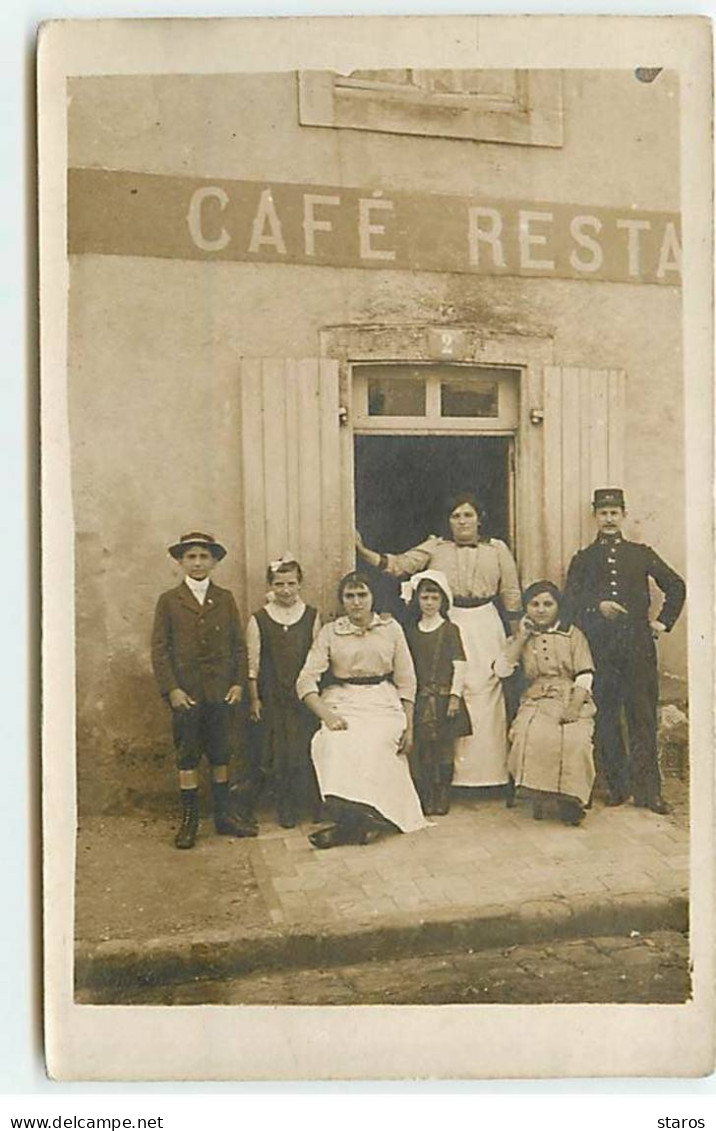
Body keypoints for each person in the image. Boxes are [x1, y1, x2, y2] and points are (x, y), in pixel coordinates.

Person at [356, 492, 522, 789]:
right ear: (449, 521)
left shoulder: (497, 549)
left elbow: (510, 592)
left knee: (487, 692)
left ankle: (490, 775)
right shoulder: (435, 547)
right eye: (456, 516)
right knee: (455, 690)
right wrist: (362, 549)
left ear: (479, 518)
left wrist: (517, 638)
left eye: (468, 515)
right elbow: (398, 565)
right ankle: (452, 779)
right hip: (451, 620)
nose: (462, 521)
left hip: (486, 623)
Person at [563, 488, 686, 815]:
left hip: (638, 648)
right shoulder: (583, 559)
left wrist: (662, 623)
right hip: (601, 650)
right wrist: (596, 606)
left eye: (614, 512)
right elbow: (569, 603)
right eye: (603, 513)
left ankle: (648, 792)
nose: (608, 519)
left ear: (623, 515)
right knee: (605, 717)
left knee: (642, 717)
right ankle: (616, 786)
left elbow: (676, 585)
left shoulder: (640, 553)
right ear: (595, 516)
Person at [296, 571, 427, 849]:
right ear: (342, 600)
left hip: (382, 702)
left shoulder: (391, 629)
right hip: (343, 701)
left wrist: (410, 727)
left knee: (374, 743)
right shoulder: (330, 632)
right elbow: (305, 680)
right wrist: (327, 716)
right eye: (349, 596)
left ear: (373, 597)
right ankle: (359, 822)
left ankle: (352, 826)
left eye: (362, 595)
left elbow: (407, 681)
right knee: (332, 741)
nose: (356, 602)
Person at [151, 531, 256, 849]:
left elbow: (239, 646)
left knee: (221, 752)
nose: (198, 563)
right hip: (187, 694)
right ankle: (190, 821)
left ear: (214, 561)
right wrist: (172, 689)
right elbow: (160, 649)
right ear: (181, 562)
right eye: (191, 557)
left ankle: (224, 816)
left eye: (204, 557)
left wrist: (238, 683)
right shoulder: (169, 600)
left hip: (221, 692)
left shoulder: (224, 598)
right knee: (188, 754)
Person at [495, 581, 596, 826]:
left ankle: (571, 799)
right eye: (535, 604)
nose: (541, 610)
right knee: (535, 735)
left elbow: (585, 674)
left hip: (570, 696)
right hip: (536, 699)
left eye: (548, 604)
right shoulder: (520, 638)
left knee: (575, 738)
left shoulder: (573, 634)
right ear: (526, 608)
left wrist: (573, 707)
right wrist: (522, 637)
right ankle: (545, 791)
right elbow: (502, 670)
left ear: (558, 607)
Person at [246, 554, 322, 829]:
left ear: (300, 584)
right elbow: (252, 664)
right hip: (273, 695)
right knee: (280, 752)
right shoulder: (260, 619)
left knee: (305, 747)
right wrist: (255, 698)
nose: (286, 590)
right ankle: (286, 805)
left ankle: (313, 804)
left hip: (302, 695)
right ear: (271, 585)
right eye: (279, 584)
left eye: (291, 583)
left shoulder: (312, 616)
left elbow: (317, 658)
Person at [403, 570, 471, 816]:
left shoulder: (450, 629)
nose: (429, 603)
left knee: (443, 748)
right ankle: (426, 794)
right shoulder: (411, 631)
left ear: (443, 601)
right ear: (417, 600)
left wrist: (454, 696)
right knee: (423, 749)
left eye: (434, 598)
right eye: (425, 598)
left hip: (443, 699)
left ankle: (443, 794)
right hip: (421, 699)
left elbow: (460, 664)